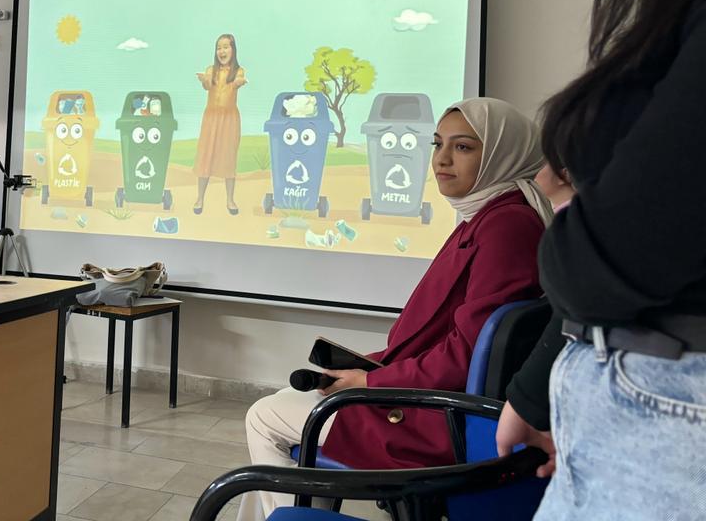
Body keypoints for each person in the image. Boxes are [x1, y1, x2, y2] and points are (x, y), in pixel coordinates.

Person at [496, 0, 706, 517]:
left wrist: (571, 215)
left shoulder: (500, 226)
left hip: (667, 424)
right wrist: (539, 393)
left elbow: (614, 258)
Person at [237, 98, 552, 521]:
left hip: (439, 417)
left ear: (502, 153)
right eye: (438, 144)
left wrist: (372, 380)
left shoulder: (505, 226)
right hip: (440, 402)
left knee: (264, 415)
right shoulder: (494, 215)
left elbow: (465, 354)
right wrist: (370, 370)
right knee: (288, 399)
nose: (441, 159)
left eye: (462, 147)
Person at [193, 34, 246, 215]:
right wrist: (204, 80)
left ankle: (230, 200)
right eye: (219, 48)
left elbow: (238, 82)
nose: (222, 51)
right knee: (205, 156)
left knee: (228, 158)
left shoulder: (238, 71)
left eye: (225, 47)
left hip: (229, 120)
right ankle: (200, 198)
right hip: (211, 119)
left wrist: (238, 82)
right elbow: (207, 86)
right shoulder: (211, 69)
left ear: (233, 50)